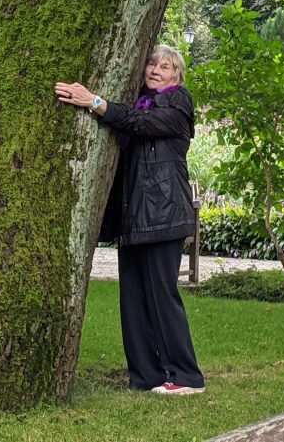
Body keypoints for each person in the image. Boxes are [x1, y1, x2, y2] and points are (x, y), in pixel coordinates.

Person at [55, 45, 205, 396]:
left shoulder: (178, 103)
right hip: (135, 217)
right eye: (152, 63)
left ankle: (186, 376)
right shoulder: (137, 100)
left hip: (165, 214)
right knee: (133, 300)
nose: (156, 70)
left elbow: (140, 124)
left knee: (162, 296)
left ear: (177, 77)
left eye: (165, 67)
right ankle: (146, 376)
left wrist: (95, 102)